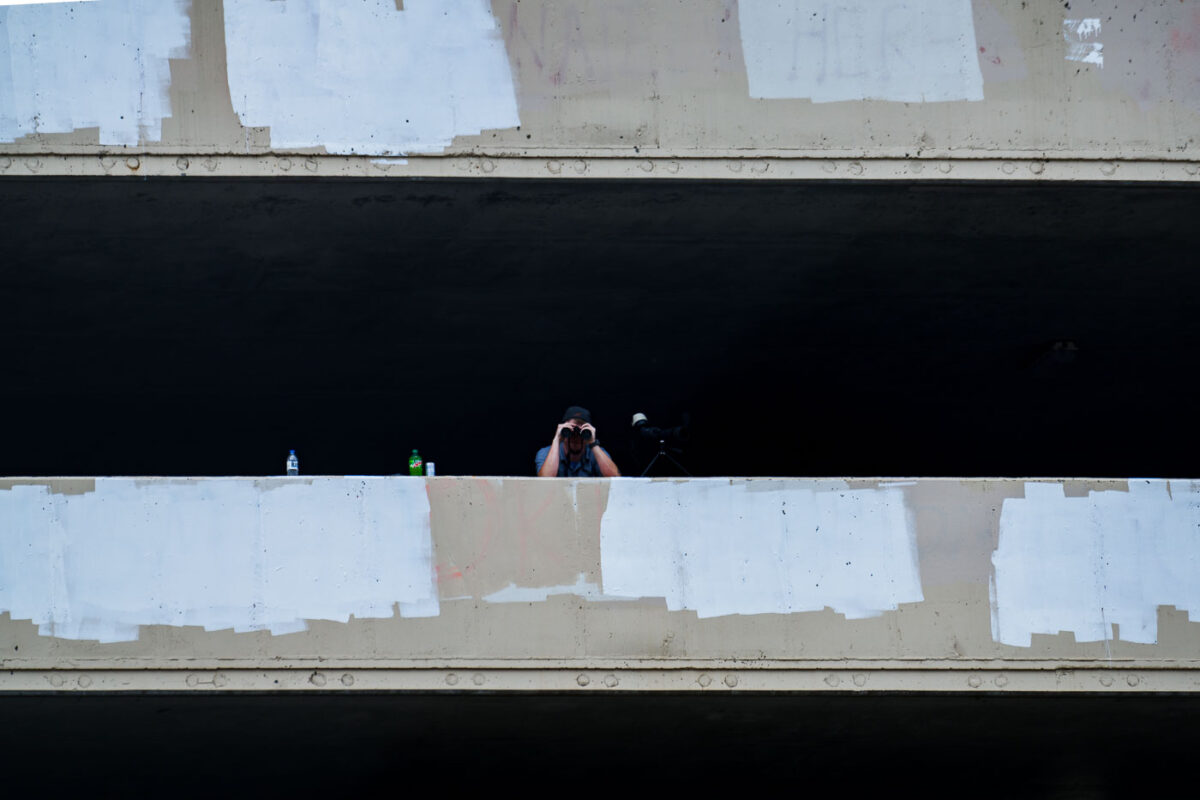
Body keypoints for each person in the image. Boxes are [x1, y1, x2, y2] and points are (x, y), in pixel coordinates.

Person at [535, 406, 621, 477]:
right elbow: (545, 480)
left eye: (581, 433)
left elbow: (615, 479)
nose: (576, 437)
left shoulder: (595, 453)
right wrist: (557, 439)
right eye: (571, 431)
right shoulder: (546, 453)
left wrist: (593, 443)